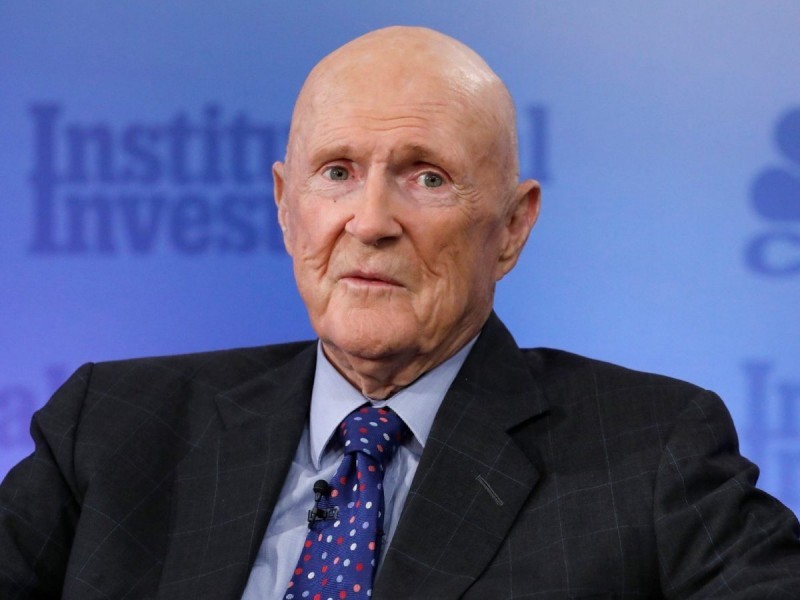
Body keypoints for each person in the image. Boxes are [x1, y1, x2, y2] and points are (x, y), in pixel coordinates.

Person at [1, 26, 799, 600]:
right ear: (285, 205)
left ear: (513, 226)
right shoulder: (112, 430)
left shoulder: (651, 452)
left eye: (427, 178)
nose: (372, 221)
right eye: (337, 172)